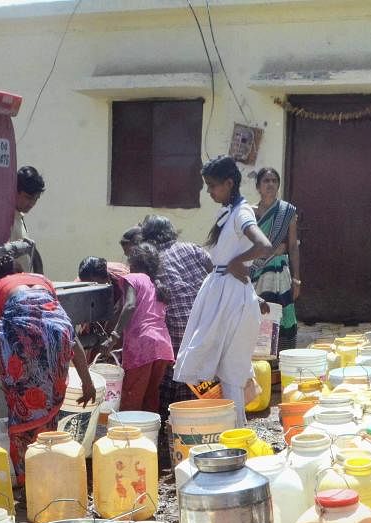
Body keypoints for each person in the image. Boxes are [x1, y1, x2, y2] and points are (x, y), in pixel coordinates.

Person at [173, 156, 274, 426]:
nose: (209, 192)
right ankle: (227, 427)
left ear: (229, 183)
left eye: (213, 186)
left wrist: (236, 263)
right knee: (217, 365)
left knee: (229, 370)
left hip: (229, 295)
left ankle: (236, 432)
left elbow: (264, 246)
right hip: (225, 292)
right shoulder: (228, 211)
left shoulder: (241, 212)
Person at [0, 254, 96, 485]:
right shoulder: (43, 280)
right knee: (47, 405)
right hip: (58, 334)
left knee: (22, 411)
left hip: (21, 334)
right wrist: (87, 381)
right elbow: (68, 335)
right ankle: (50, 471)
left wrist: (7, 375)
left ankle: (28, 481)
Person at [140, 214, 213, 408]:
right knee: (200, 371)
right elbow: (217, 273)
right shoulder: (193, 249)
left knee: (170, 374)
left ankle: (170, 421)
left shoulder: (151, 260)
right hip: (204, 325)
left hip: (175, 330)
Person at [101, 243, 174, 412]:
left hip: (142, 345)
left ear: (133, 262)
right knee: (151, 395)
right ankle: (150, 436)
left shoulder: (133, 278)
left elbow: (129, 306)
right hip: (162, 345)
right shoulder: (157, 284)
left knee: (131, 396)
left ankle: (128, 435)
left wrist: (113, 337)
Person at [250, 167, 302, 349]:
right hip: (256, 274)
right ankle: (259, 360)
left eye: (274, 181)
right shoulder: (249, 213)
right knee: (258, 314)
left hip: (280, 273)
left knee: (282, 315)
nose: (270, 184)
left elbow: (293, 246)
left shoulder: (286, 211)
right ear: (258, 186)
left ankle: (282, 358)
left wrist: (296, 278)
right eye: (266, 181)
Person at [10, 165, 45, 273]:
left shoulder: (19, 218)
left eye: (36, 199)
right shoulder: (4, 220)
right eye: (28, 198)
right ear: (15, 191)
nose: (32, 204)